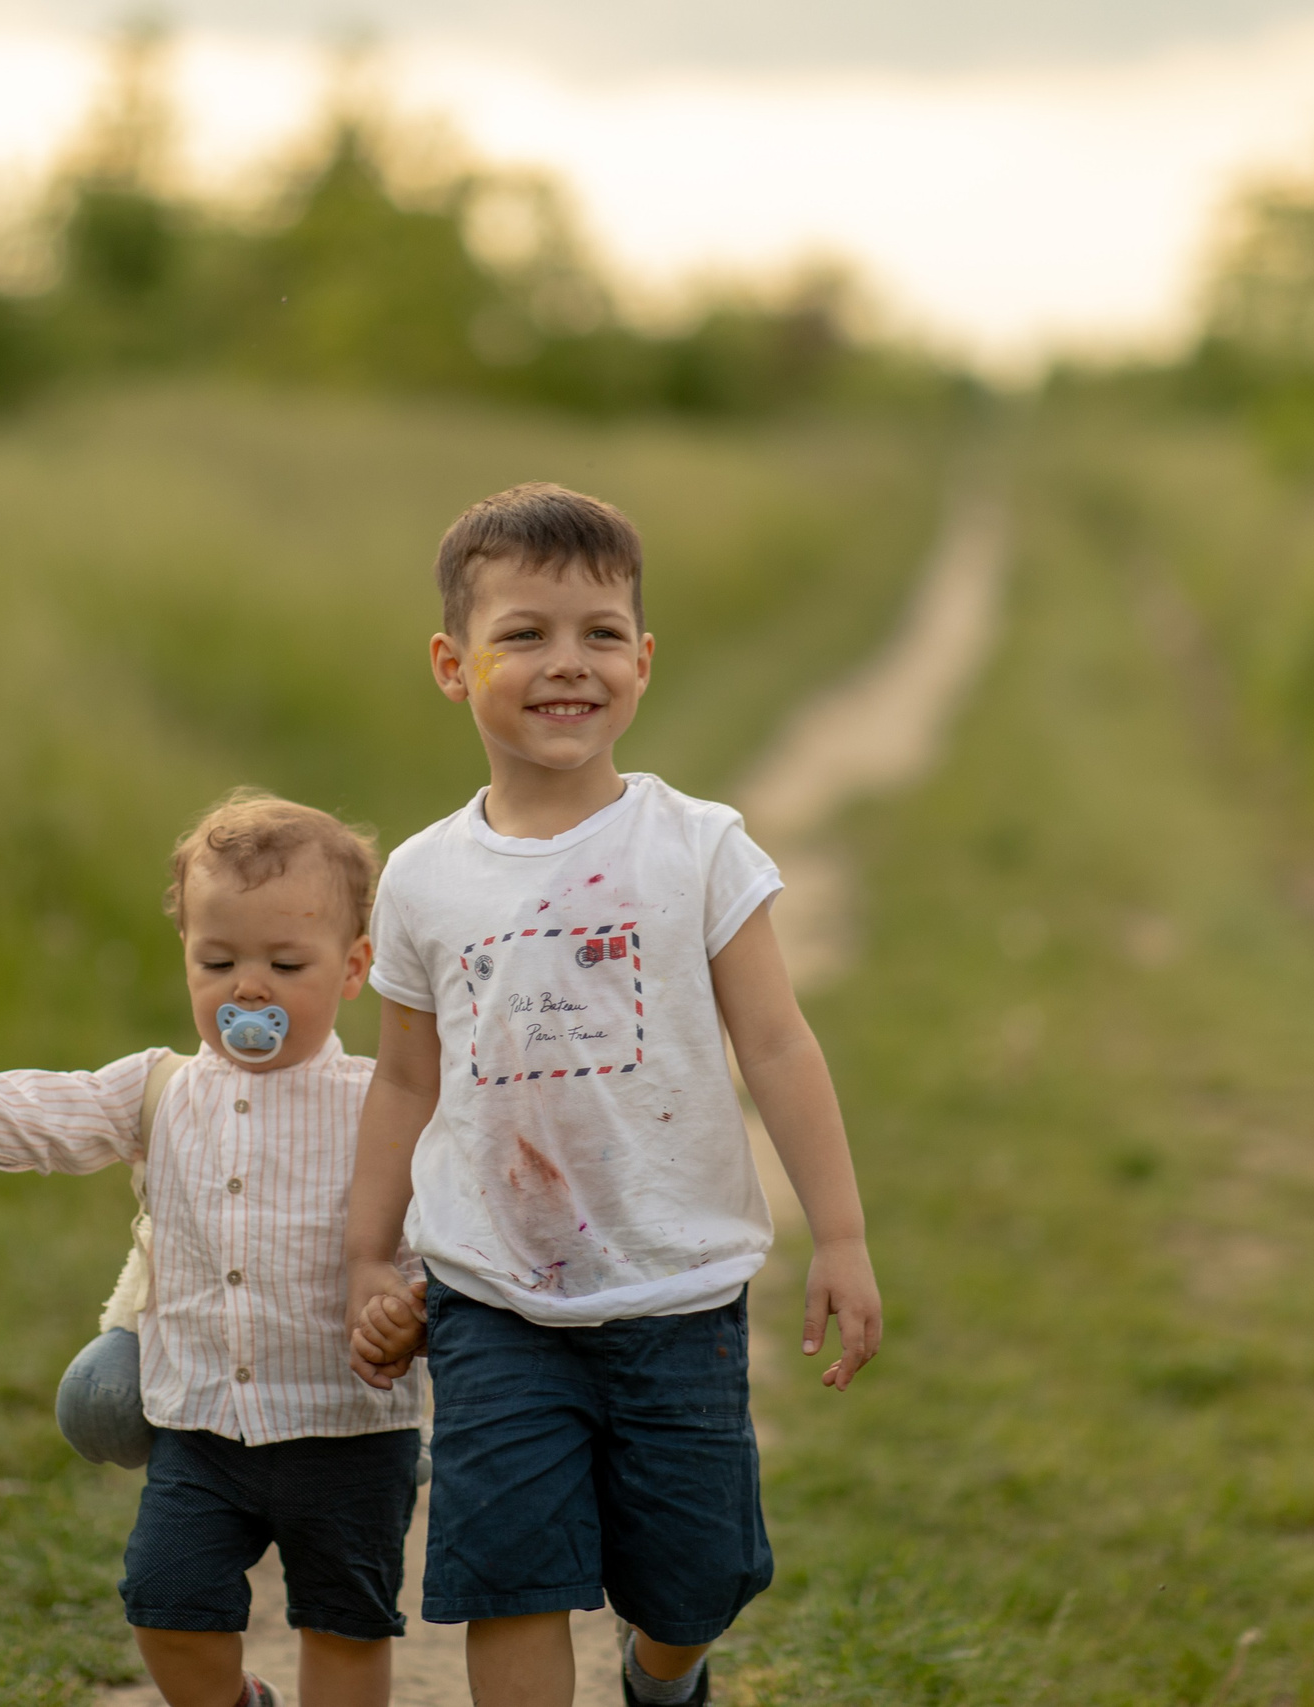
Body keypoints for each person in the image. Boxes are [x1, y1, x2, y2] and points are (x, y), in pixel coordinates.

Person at [342, 483, 883, 1707]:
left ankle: (662, 1677)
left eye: (597, 635)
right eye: (523, 634)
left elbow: (781, 1047)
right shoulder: (424, 879)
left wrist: (839, 1234)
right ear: (451, 662)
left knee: (694, 1584)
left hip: (676, 1294)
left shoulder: (695, 848)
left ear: (641, 662)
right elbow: (405, 1081)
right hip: (490, 1297)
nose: (563, 665)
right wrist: (368, 1259)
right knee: (509, 1578)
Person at [0, 791, 424, 1707]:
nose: (247, 987)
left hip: (348, 1428)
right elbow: (55, 1111)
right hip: (201, 1420)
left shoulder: (383, 1103)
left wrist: (407, 1308)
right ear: (186, 958)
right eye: (217, 961)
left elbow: (430, 1230)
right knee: (165, 1604)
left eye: (285, 962)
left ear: (353, 968)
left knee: (345, 1622)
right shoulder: (161, 1090)